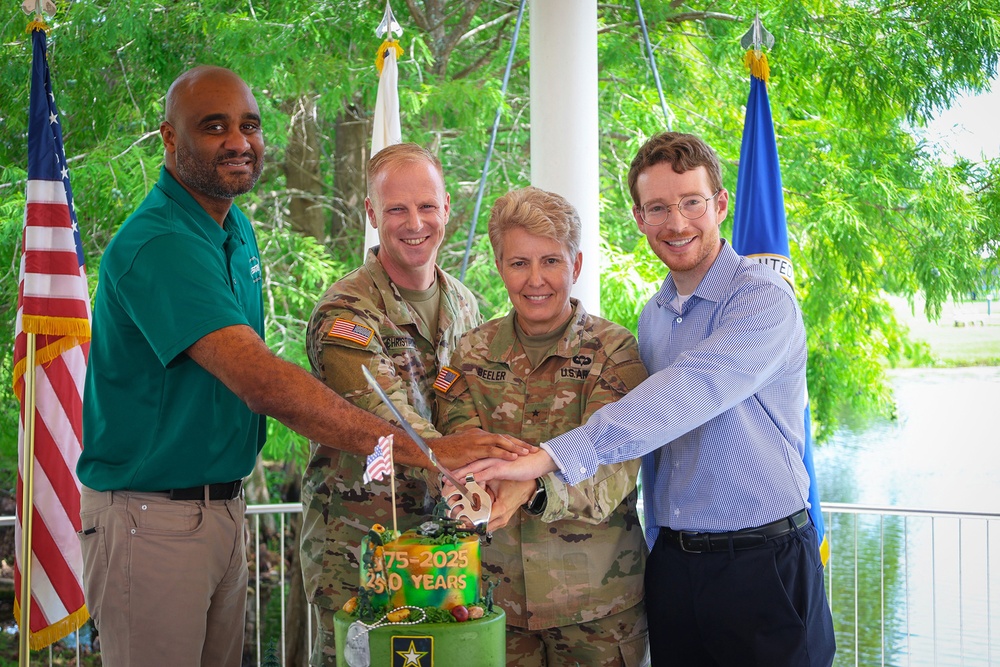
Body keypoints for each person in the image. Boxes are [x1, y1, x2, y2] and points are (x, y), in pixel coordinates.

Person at [77, 68, 526, 667]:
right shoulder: (161, 243)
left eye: (250, 125)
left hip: (221, 506)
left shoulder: (232, 227)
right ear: (169, 138)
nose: (238, 141)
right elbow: (261, 381)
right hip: (153, 515)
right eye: (214, 127)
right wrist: (433, 451)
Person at [459, 132, 837, 666]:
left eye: (691, 202)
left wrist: (545, 459)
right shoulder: (655, 316)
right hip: (674, 566)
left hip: (762, 562)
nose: (676, 223)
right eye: (658, 208)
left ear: (720, 205)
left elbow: (689, 391)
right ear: (639, 218)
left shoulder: (762, 298)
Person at [299, 142, 499, 666]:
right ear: (371, 213)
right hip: (363, 548)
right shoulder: (346, 311)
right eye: (397, 209)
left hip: (444, 552)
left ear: (447, 208)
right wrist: (461, 464)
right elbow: (383, 412)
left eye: (427, 206)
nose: (415, 223)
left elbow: (471, 402)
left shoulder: (464, 304)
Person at [436, 187, 650, 667]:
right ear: (500, 267)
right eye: (519, 263)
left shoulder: (615, 352)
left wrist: (535, 488)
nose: (536, 279)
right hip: (494, 605)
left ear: (576, 265)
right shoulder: (470, 353)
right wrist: (468, 485)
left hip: (597, 611)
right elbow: (462, 450)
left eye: (551, 261)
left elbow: (613, 467)